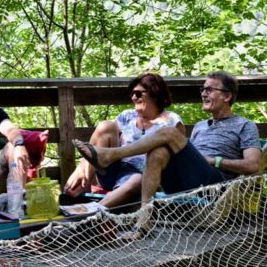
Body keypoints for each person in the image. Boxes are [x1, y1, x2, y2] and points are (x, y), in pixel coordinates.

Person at [73, 71, 261, 205]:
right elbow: (185, 157)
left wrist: (214, 160)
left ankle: (110, 155)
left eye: (210, 90)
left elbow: (253, 165)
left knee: (168, 133)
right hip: (182, 183)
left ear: (227, 96)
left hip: (215, 184)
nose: (203, 93)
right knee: (159, 150)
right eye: (203, 89)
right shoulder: (200, 126)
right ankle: (144, 218)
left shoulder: (245, 125)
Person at [63, 73, 183, 208]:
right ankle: (83, 186)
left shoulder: (171, 121)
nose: (133, 97)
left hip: (144, 180)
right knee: (105, 126)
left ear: (154, 93)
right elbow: (99, 139)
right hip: (114, 171)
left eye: (138, 94)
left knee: (138, 179)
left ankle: (92, 210)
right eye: (132, 94)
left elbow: (179, 156)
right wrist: (80, 168)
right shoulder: (127, 116)